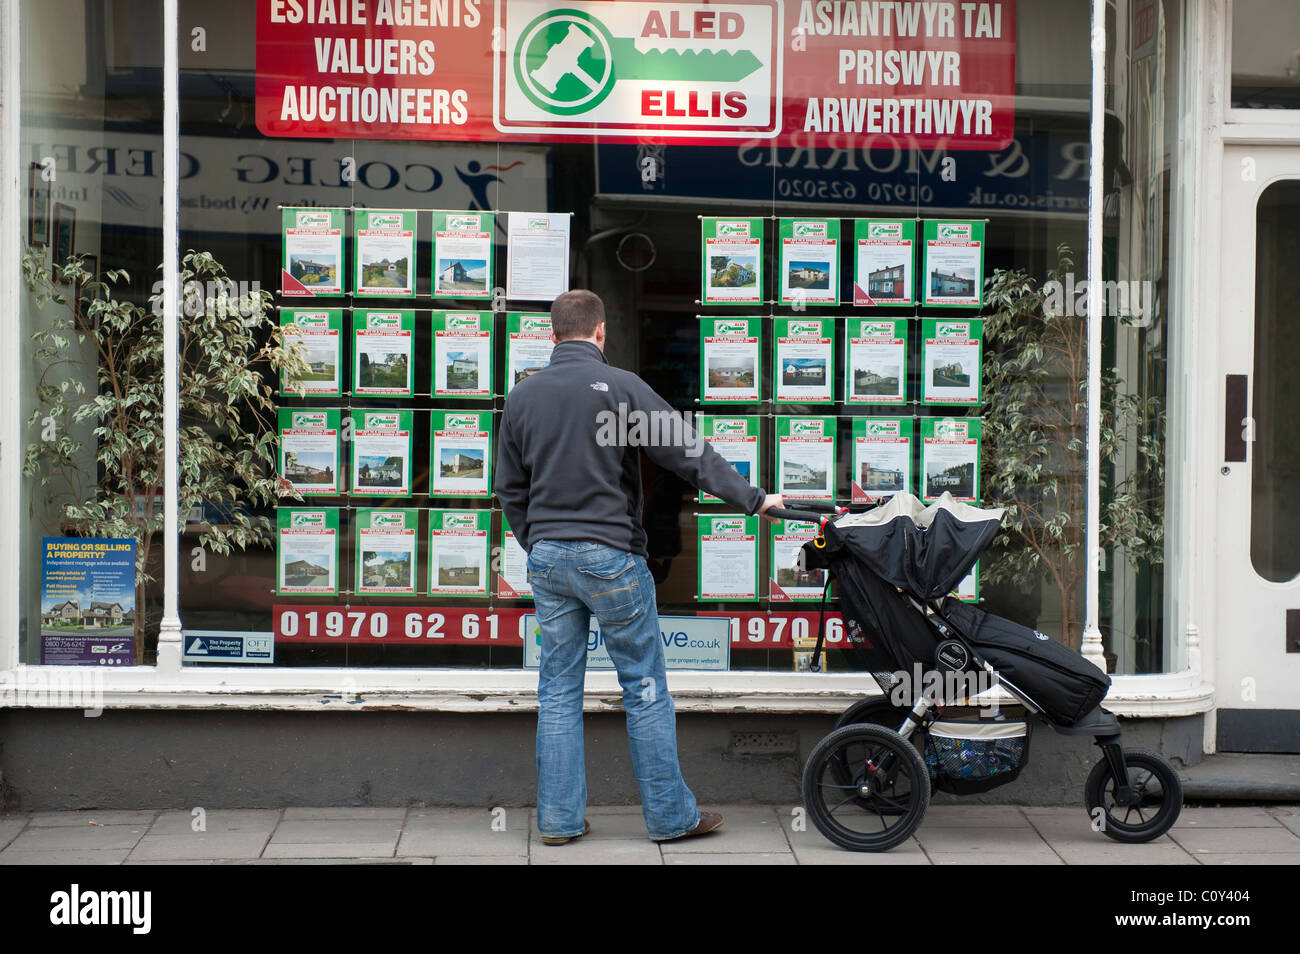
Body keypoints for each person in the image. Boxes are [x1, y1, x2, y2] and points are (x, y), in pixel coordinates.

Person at [495, 289, 782, 845]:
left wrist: (539, 543)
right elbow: (687, 452)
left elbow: (510, 488)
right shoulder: (621, 387)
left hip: (550, 558)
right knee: (644, 686)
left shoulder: (522, 397)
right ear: (601, 333)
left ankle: (557, 822)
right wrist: (751, 498)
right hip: (611, 556)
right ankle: (670, 819)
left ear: (551, 337)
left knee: (557, 690)